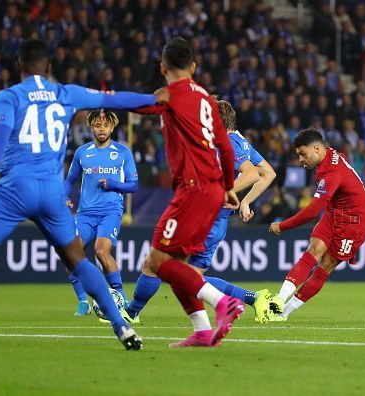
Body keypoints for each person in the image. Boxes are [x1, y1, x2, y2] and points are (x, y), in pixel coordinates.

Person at [0, 39, 167, 352]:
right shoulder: (66, 93)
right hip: (51, 191)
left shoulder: (8, 97)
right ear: (48, 68)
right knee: (77, 259)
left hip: (15, 188)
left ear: (18, 67)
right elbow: (114, 98)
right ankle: (121, 325)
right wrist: (156, 100)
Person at [128, 37, 246, 348]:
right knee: (177, 264)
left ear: (162, 67)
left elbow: (136, 104)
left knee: (155, 262)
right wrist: (229, 186)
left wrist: (91, 97)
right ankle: (203, 330)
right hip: (213, 190)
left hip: (192, 190)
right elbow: (225, 145)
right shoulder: (207, 99)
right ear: (193, 66)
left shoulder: (170, 94)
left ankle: (223, 302)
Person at [125, 98, 276, 324]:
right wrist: (245, 202)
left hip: (204, 217)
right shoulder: (241, 142)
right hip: (215, 221)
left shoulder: (229, 142)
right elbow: (268, 173)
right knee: (190, 278)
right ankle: (253, 298)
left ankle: (130, 313)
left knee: (155, 263)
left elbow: (252, 174)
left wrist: (222, 193)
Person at [268, 128, 365, 320]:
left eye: (303, 154)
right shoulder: (329, 154)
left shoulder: (331, 173)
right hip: (334, 212)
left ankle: (284, 313)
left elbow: (312, 212)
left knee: (326, 264)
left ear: (316, 148)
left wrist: (281, 226)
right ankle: (279, 300)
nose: (300, 160)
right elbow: (342, 161)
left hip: (355, 221)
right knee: (313, 249)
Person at [65, 109, 138, 316]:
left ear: (112, 127)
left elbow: (133, 185)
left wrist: (114, 184)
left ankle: (122, 298)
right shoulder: (82, 153)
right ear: (91, 128)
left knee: (101, 251)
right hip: (85, 213)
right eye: (97, 125)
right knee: (70, 252)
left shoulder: (123, 152)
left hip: (110, 211)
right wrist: (64, 197)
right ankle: (82, 301)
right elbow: (70, 181)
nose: (101, 129)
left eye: (105, 125)